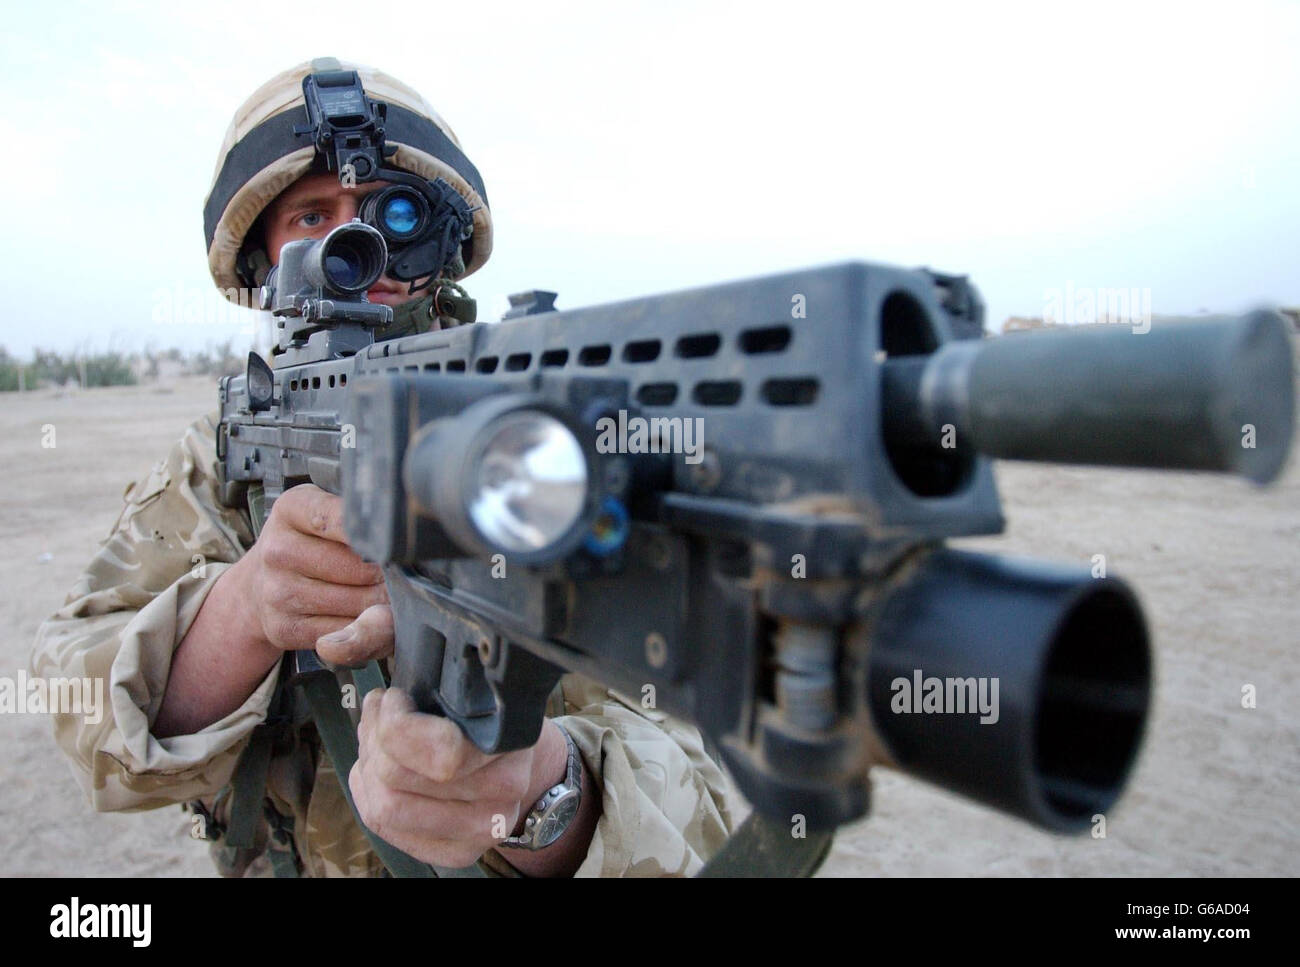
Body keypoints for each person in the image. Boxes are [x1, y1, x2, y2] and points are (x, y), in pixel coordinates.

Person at [31, 58, 737, 878]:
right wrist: (249, 607)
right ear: (259, 260)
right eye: (310, 215)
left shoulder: (539, 435)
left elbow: (705, 807)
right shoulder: (225, 451)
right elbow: (79, 706)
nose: (353, 242)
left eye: (389, 210)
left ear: (440, 242)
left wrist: (543, 797)